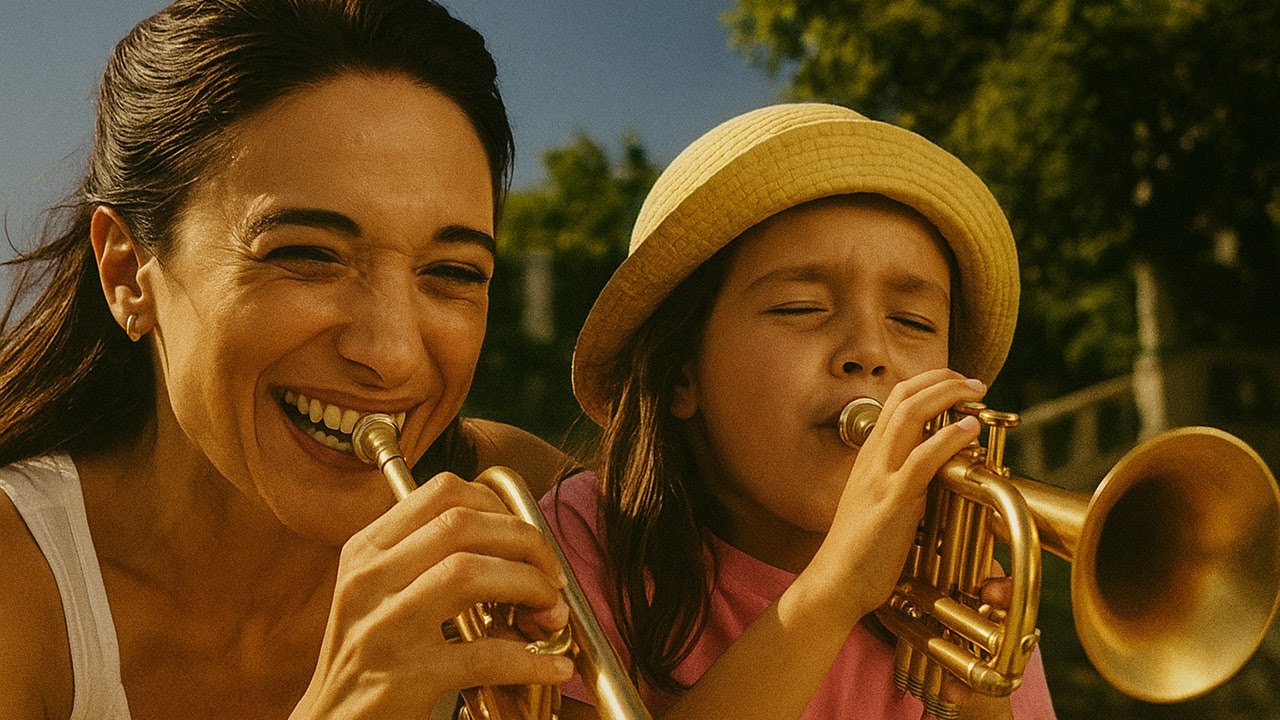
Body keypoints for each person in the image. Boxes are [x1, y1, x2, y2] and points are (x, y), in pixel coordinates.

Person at [0, 1, 577, 718]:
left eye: (454, 272)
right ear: (126, 273)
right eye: (306, 255)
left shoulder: (536, 503)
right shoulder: (17, 578)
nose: (391, 354)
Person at [540, 103, 1059, 719]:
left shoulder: (956, 590)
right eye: (800, 307)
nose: (868, 353)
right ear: (681, 376)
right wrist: (835, 591)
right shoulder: (589, 539)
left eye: (913, 322)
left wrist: (981, 707)